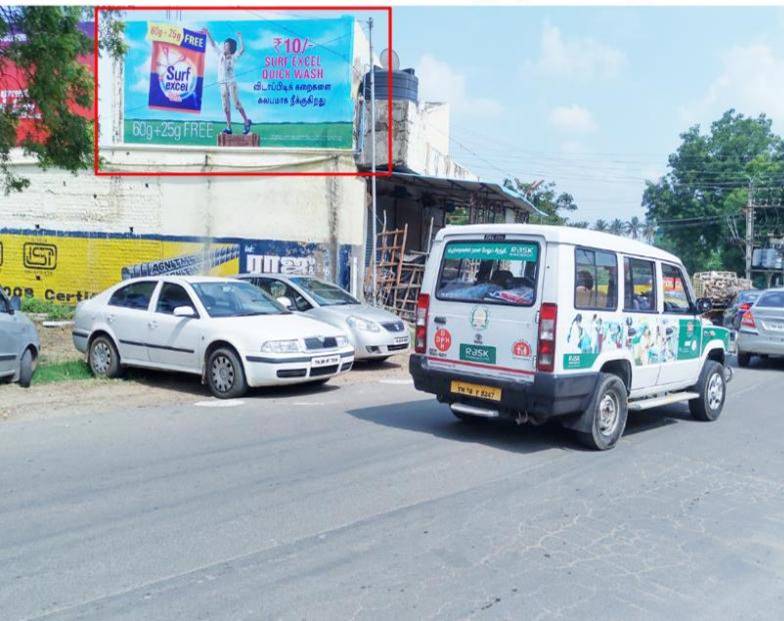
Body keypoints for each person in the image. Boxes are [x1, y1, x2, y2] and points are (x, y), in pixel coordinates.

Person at [203, 28, 252, 135]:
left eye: (226, 46)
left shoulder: (233, 57)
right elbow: (212, 44)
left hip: (231, 82)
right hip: (222, 83)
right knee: (225, 106)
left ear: (230, 48)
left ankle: (246, 121)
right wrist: (208, 33)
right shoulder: (220, 55)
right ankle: (229, 127)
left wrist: (240, 37)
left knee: (236, 103)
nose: (224, 47)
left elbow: (242, 49)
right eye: (224, 45)